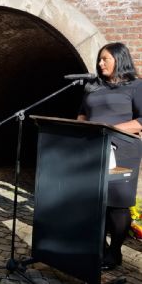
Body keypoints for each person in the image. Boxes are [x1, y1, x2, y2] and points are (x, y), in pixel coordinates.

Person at [77, 42, 141, 270]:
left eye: (105, 59)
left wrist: (110, 128)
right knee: (94, 201)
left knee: (117, 204)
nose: (100, 63)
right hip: (93, 147)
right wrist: (78, 132)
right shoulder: (92, 86)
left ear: (119, 59)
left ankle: (115, 252)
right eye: (99, 59)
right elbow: (83, 114)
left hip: (122, 150)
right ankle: (99, 247)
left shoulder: (135, 85)